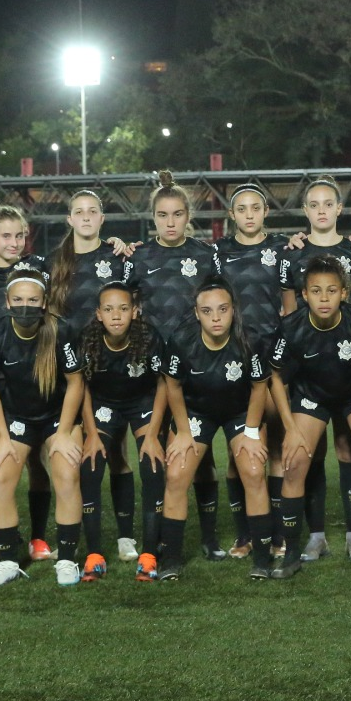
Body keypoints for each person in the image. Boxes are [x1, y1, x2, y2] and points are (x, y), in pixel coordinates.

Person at [268, 255, 351, 578]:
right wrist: (291, 430)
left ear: (344, 293)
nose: (323, 298)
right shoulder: (291, 327)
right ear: (304, 294)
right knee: (295, 461)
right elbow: (275, 378)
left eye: (331, 291)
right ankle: (293, 552)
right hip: (312, 396)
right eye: (316, 291)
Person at [124, 171, 225, 558]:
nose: (170, 222)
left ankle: (210, 537)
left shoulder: (205, 255)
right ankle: (161, 535)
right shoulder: (138, 257)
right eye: (163, 215)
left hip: (196, 368)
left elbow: (220, 305)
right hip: (151, 371)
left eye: (178, 214)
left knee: (201, 456)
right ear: (153, 218)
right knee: (159, 452)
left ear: (188, 216)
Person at [279, 177, 351, 562]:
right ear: (306, 211)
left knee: (349, 449)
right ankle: (315, 535)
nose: (321, 210)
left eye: (327, 203)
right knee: (310, 452)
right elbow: (288, 313)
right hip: (309, 372)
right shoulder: (292, 255)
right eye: (313, 204)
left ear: (338, 209)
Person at [158, 277, 274, 580]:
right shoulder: (181, 340)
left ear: (233, 310)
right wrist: (183, 432)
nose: (216, 317)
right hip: (197, 412)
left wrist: (250, 432)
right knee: (176, 473)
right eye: (207, 311)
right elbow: (172, 387)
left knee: (252, 470)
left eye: (222, 309)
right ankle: (171, 560)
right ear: (197, 314)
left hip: (240, 410)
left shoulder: (250, 339)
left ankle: (262, 559)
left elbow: (260, 387)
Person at [0, 270, 86, 587]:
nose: (25, 306)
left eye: (32, 300)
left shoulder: (62, 330)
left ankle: (67, 558)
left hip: (56, 415)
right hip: (17, 416)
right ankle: (9, 559)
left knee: (67, 473)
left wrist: (65, 432)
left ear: (43, 303)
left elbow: (76, 383)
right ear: (7, 302)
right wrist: (0, 436)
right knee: (1, 476)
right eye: (18, 300)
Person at [0, 204, 55, 561]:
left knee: (38, 461)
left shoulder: (38, 268)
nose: (15, 242)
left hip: (34, 376)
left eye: (20, 235)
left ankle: (38, 537)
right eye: (6, 235)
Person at [212, 183, 293, 559]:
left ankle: (276, 535)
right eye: (241, 208)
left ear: (265, 212)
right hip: (235, 362)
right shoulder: (218, 253)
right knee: (239, 451)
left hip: (274, 361)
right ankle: (245, 535)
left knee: (274, 447)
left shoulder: (283, 248)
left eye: (255, 208)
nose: (248, 214)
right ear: (232, 215)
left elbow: (290, 306)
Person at [78, 282, 166, 580]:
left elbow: (164, 384)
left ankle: (150, 554)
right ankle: (94, 555)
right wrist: (90, 433)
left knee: (152, 464)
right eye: (109, 309)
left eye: (124, 309)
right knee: (90, 465)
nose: (116, 316)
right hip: (104, 405)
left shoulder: (149, 338)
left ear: (135, 312)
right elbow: (83, 389)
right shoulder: (88, 341)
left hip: (142, 403)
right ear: (98, 314)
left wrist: (152, 435)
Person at [47, 189, 128, 332]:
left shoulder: (117, 256)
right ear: (70, 219)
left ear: (102, 218)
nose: (86, 218)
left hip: (108, 349)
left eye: (92, 212)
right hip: (65, 349)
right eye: (79, 212)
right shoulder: (51, 262)